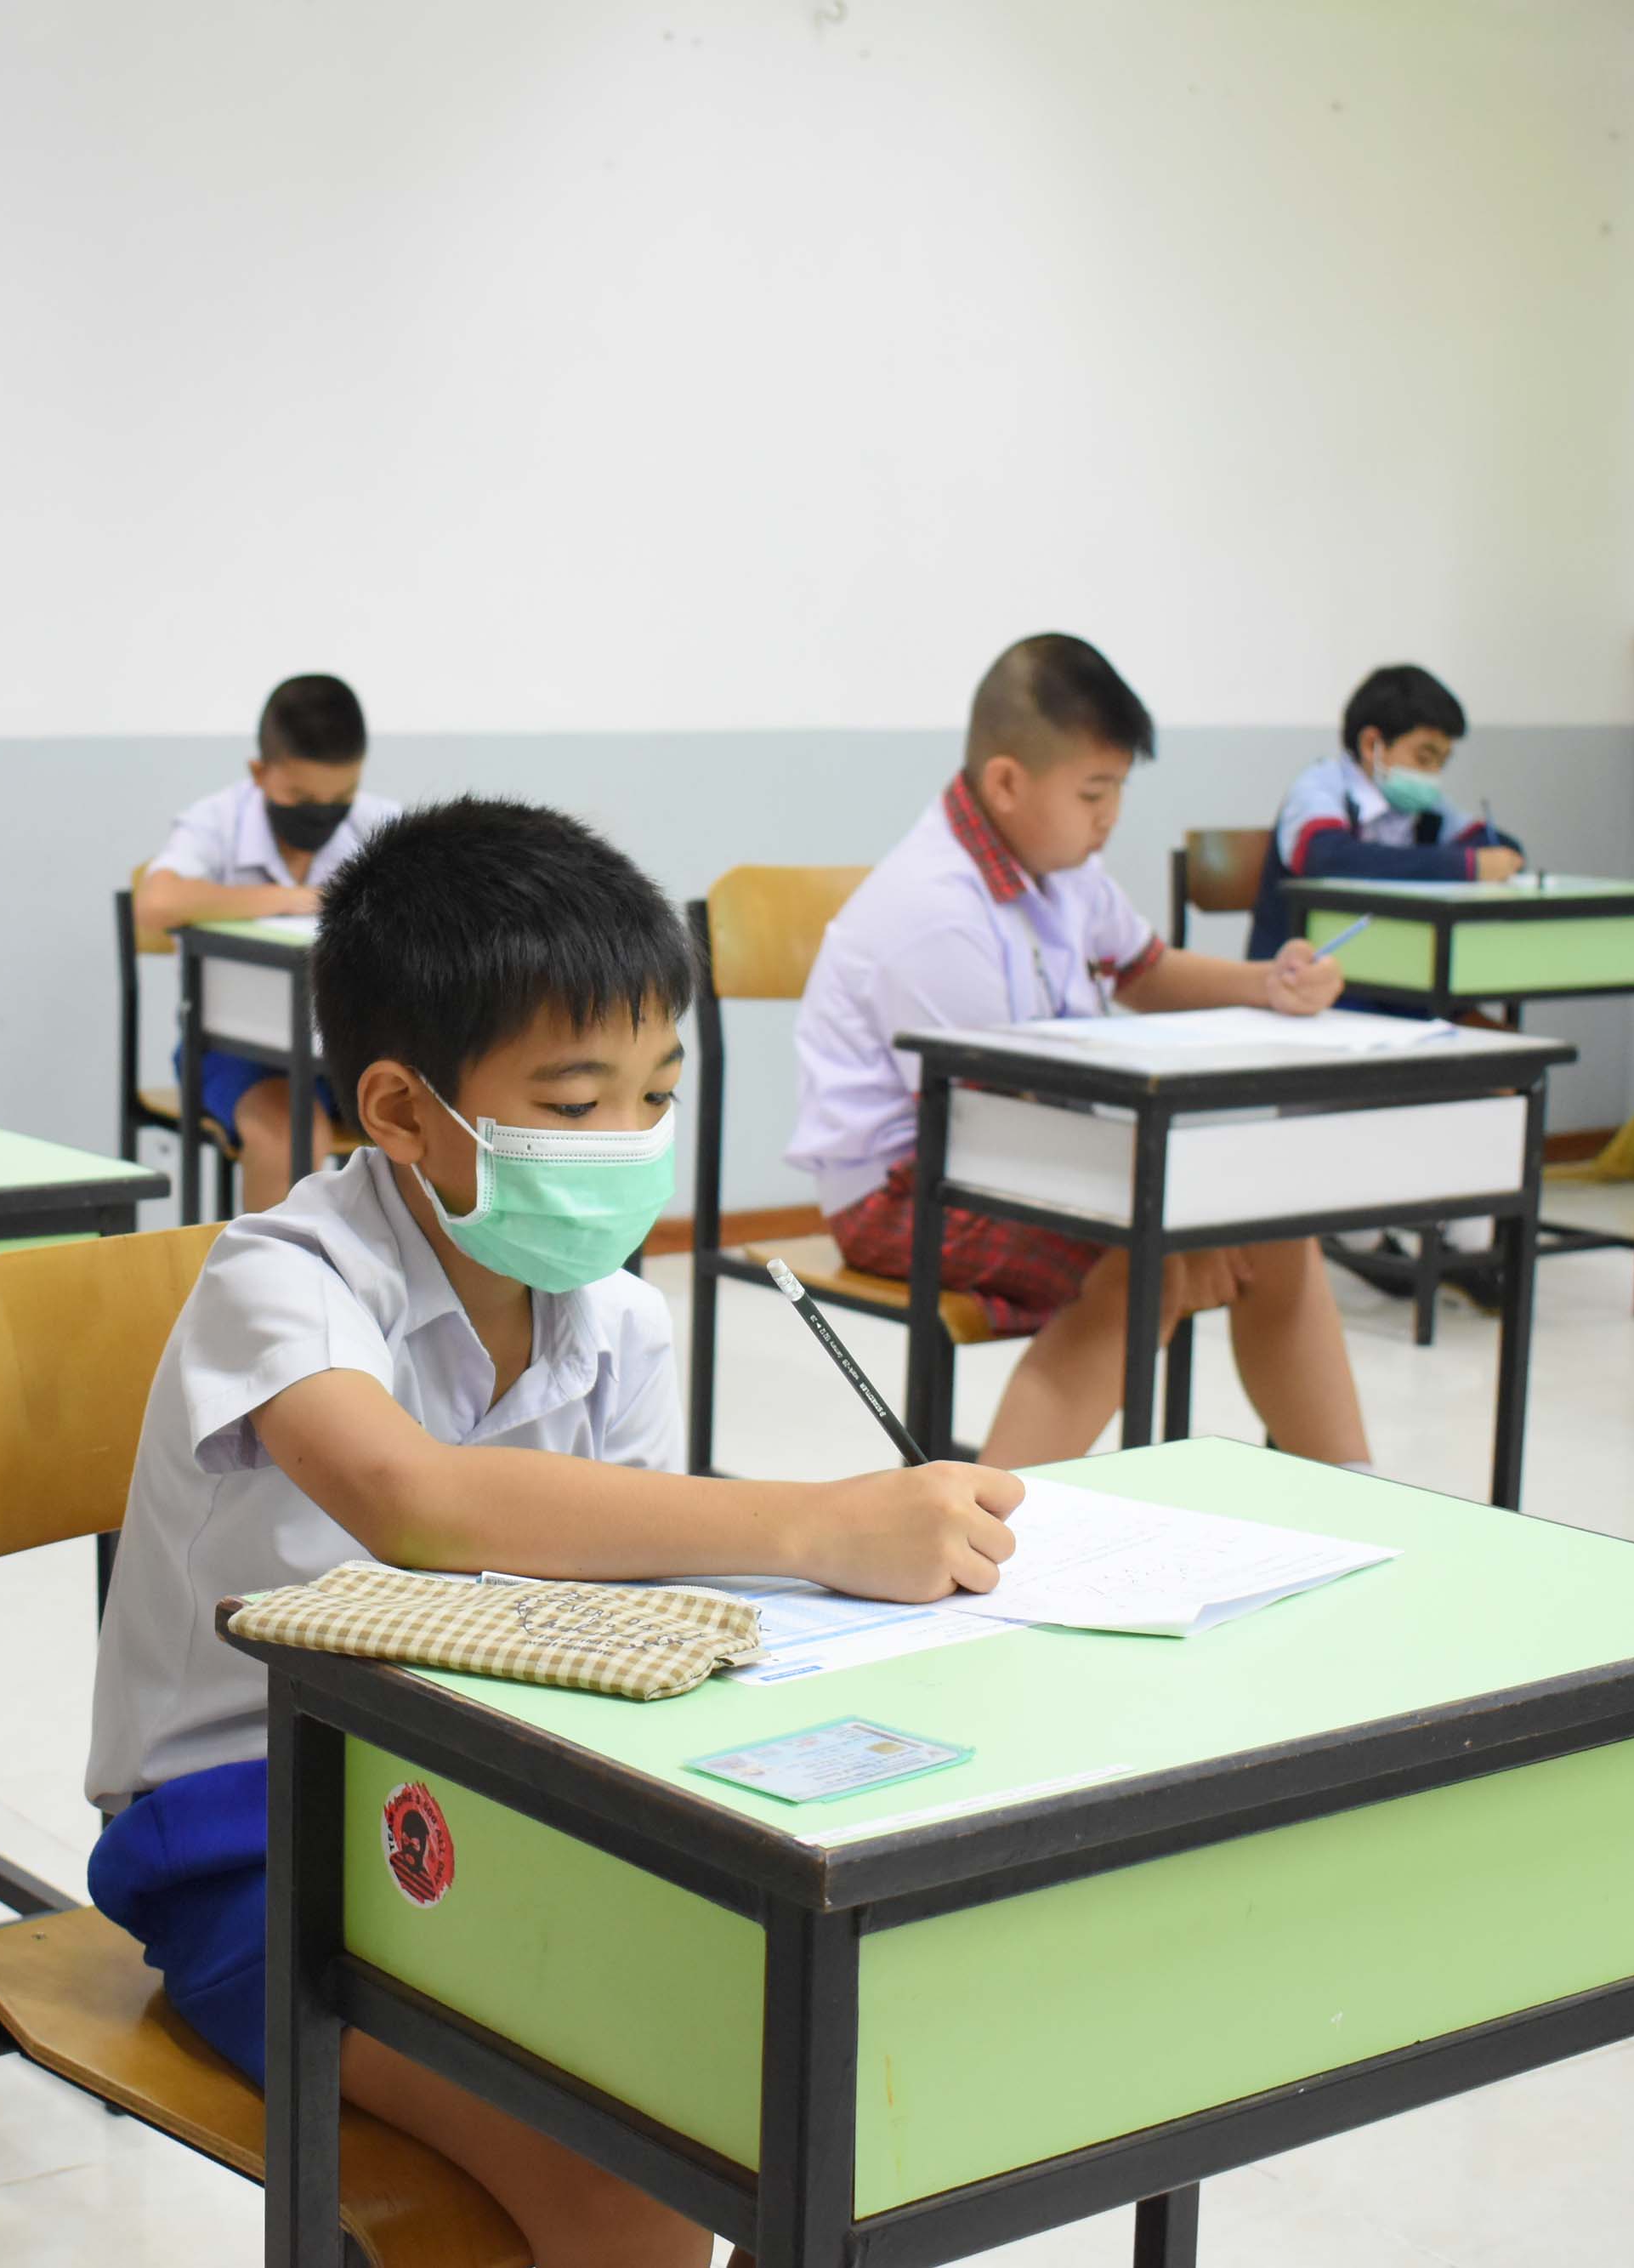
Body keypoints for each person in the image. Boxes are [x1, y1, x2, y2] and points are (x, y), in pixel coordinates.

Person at [87, 796, 1023, 2268]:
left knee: (798, 2076)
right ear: (402, 1109)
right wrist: (812, 1522)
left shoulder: (616, 1322)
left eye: (659, 1094)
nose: (631, 1143)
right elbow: (417, 1503)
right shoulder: (284, 1278)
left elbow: (618, 1594)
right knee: (633, 2177)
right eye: (578, 1108)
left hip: (504, 1797)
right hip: (256, 1838)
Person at [791, 634, 1375, 1471]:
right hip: (906, 1188)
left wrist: (1268, 985)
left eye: (1119, 789)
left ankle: (1351, 1484)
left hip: (1024, 1150)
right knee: (1147, 1260)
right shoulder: (933, 910)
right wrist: (1171, 1197)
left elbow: (1145, 969)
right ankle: (990, 1511)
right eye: (1093, 792)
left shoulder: (1060, 864)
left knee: (1272, 1224)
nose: (1111, 815)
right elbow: (990, 1119)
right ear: (1006, 783)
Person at [133, 674, 403, 1214]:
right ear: (260, 773)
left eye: (339, 799)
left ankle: (396, 1270)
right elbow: (154, 905)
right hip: (232, 1052)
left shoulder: (378, 823)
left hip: (350, 1050)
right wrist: (290, 899)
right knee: (291, 1137)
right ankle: (272, 1269)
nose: (321, 813)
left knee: (441, 1117)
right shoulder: (218, 821)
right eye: (301, 798)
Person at [1245, 662, 1521, 960]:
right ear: (1371, 744)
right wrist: (1460, 867)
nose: (1433, 775)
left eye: (1442, 762)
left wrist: (1489, 860)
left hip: (1390, 968)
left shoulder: (1425, 806)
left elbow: (1498, 847)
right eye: (1424, 757)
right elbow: (1329, 859)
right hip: (1298, 971)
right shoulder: (1320, 787)